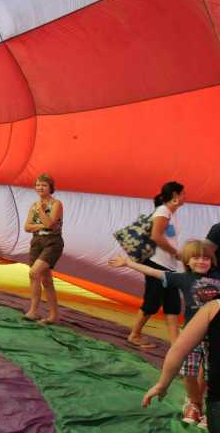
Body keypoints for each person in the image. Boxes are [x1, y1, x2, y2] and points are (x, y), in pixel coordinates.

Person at [111, 240, 220, 427]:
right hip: (190, 335)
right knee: (189, 372)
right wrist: (129, 263)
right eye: (196, 258)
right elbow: (156, 273)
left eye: (206, 258)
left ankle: (210, 407)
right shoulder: (183, 278)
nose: (202, 261)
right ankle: (194, 403)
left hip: (213, 335)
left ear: (212, 261)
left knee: (209, 373)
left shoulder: (218, 277)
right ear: (187, 261)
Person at [143, 299, 220, 431]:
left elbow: (179, 350)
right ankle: (195, 403)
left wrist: (162, 384)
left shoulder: (212, 308)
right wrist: (162, 384)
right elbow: (179, 350)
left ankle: (196, 404)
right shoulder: (212, 309)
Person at [128, 181, 187, 349]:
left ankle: (176, 343)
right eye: (183, 194)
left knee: (173, 304)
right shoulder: (163, 211)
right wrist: (175, 253)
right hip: (157, 263)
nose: (185, 197)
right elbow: (156, 236)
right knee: (152, 302)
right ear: (175, 195)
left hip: (169, 266)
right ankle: (135, 334)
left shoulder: (171, 212)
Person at [23, 174, 64, 325]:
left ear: (50, 188)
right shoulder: (33, 205)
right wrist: (41, 225)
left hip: (52, 243)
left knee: (34, 272)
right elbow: (27, 227)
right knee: (46, 280)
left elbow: (51, 224)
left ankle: (33, 311)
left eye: (44, 185)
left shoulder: (56, 204)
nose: (40, 188)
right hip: (36, 242)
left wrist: (40, 211)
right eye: (38, 185)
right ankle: (53, 316)